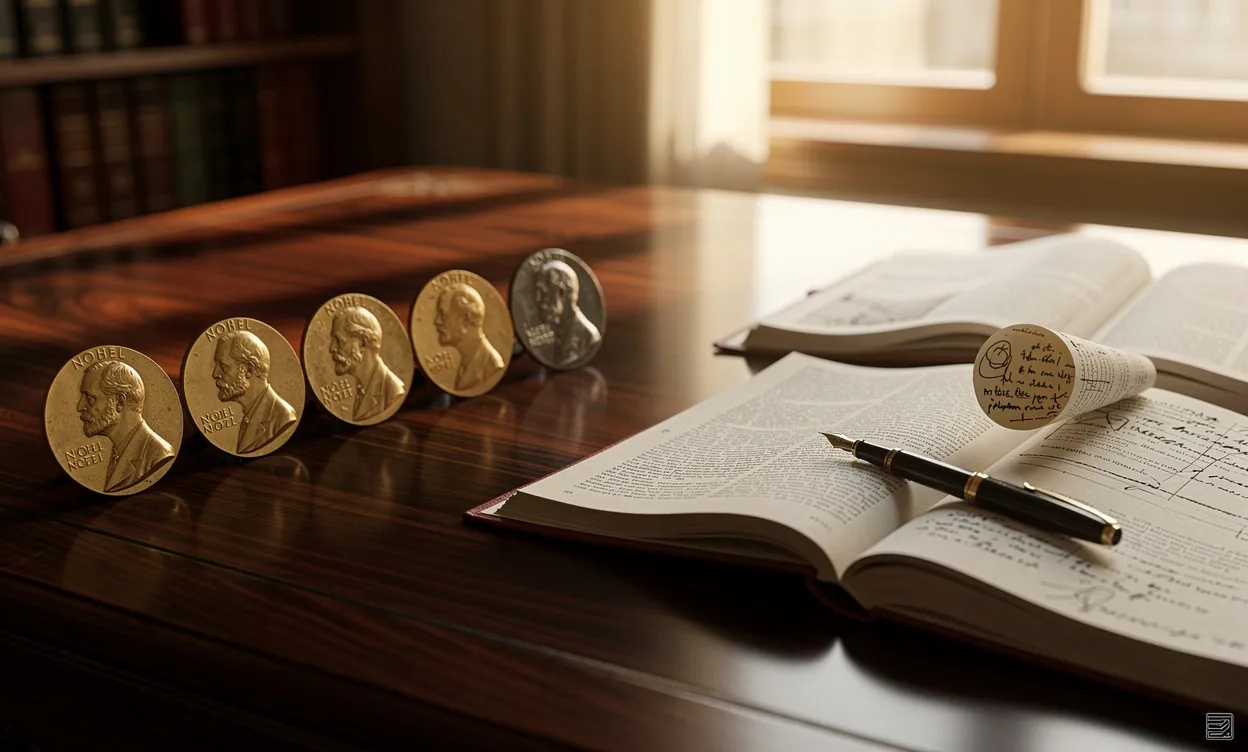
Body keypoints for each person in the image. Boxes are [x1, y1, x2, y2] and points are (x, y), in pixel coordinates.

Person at [78, 360, 174, 492]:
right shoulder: (118, 450)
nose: (80, 407)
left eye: (90, 398)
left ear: (120, 401)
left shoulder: (158, 454)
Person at [213, 330, 297, 454]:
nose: (215, 374)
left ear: (249, 369)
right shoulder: (249, 413)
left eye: (224, 367)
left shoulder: (282, 417)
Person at [330, 306, 406, 421]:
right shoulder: (362, 388)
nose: (332, 348)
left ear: (362, 345)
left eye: (339, 341)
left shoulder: (391, 390)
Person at [435, 283, 505, 392]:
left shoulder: (491, 364)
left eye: (443, 315)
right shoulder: (466, 364)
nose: (437, 321)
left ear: (466, 319)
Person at [532, 260, 601, 367]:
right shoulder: (556, 330)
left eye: (544, 293)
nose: (538, 300)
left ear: (562, 293)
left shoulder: (587, 336)